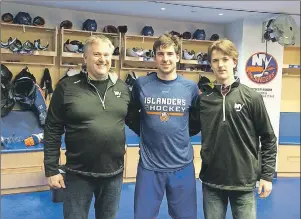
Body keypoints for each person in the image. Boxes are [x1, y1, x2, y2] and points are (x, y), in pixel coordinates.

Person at [43, 35, 131, 219]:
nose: (102, 59)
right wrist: (51, 169)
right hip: (78, 174)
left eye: (106, 55)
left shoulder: (122, 88)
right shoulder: (66, 87)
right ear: (85, 58)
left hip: (113, 174)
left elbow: (136, 122)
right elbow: (52, 128)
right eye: (97, 54)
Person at [198, 39, 277, 219]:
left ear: (234, 61)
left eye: (225, 59)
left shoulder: (252, 97)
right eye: (215, 60)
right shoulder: (204, 99)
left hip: (244, 182)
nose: (220, 65)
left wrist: (266, 175)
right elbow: (186, 129)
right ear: (211, 64)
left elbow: (268, 138)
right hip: (212, 182)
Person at [126, 33, 201, 219]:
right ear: (154, 57)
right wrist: (146, 131)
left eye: (169, 54)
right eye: (160, 54)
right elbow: (131, 116)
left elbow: (196, 121)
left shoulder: (190, 88)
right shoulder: (141, 84)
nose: (165, 59)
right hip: (149, 167)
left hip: (182, 166)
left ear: (177, 56)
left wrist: (179, 133)